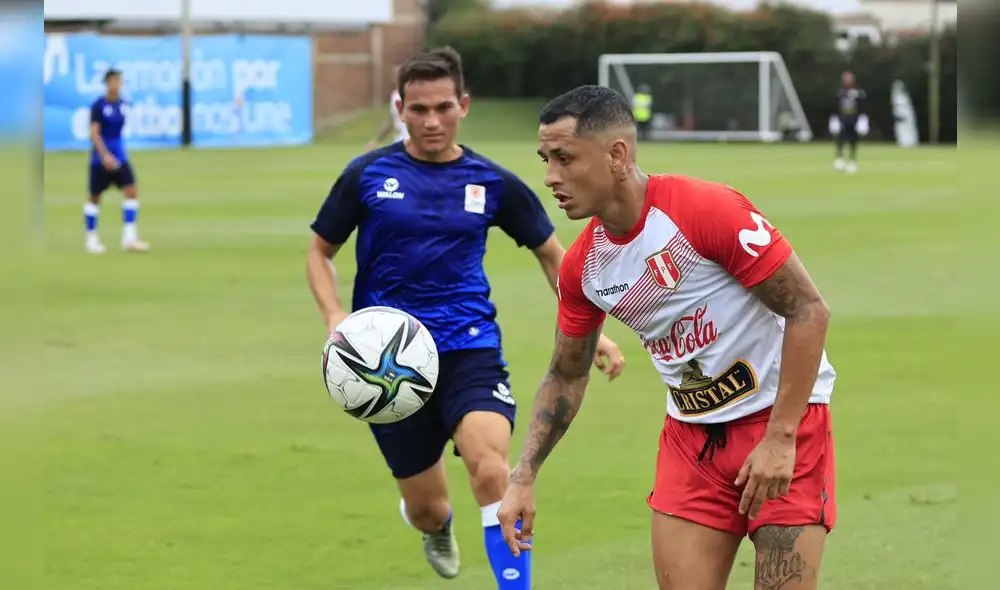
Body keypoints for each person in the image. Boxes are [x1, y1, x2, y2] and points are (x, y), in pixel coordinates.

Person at [498, 85, 838, 590]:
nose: (550, 177)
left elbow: (808, 310)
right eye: (546, 159)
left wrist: (781, 437)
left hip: (781, 422)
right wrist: (522, 476)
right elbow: (567, 371)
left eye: (565, 159)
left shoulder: (704, 210)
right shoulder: (582, 268)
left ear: (617, 155)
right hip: (691, 443)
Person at [306, 52, 625, 588]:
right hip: (388, 364)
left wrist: (593, 331)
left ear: (464, 105)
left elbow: (553, 253)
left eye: (444, 107)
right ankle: (435, 526)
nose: (432, 120)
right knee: (428, 508)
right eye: (419, 109)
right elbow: (319, 251)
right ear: (400, 110)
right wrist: (336, 315)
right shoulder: (367, 174)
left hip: (468, 347)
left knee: (491, 465)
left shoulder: (491, 181)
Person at [85, 68, 149, 254]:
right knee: (95, 197)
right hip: (100, 159)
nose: (117, 85)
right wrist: (104, 155)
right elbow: (95, 133)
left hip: (120, 157)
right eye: (113, 81)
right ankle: (92, 239)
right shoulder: (98, 106)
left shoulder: (122, 104)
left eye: (119, 81)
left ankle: (129, 238)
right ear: (107, 84)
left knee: (131, 191)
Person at [829, 70, 869, 174]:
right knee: (840, 140)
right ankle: (839, 159)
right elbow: (835, 106)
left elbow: (863, 106)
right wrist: (834, 118)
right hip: (842, 119)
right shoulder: (840, 92)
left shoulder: (858, 93)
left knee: (853, 141)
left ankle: (852, 161)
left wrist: (863, 119)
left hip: (854, 119)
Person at [364, 85, 410, 151]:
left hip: (408, 143)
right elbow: (391, 120)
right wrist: (377, 140)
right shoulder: (395, 96)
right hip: (401, 141)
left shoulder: (399, 95)